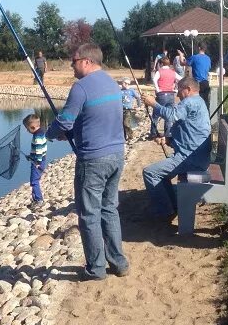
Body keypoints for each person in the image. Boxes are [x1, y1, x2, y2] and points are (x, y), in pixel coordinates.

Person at [46, 43, 130, 280]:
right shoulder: (111, 82)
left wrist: (49, 134)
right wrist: (72, 133)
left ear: (86, 61)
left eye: (73, 61)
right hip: (116, 155)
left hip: (93, 159)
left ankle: (96, 268)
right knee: (109, 209)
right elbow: (97, 118)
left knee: (89, 214)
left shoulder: (80, 88)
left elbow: (64, 121)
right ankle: (119, 262)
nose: (71, 66)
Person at [141, 77, 211, 219]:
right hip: (196, 155)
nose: (177, 95)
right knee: (162, 175)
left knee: (150, 173)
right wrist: (169, 140)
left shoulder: (190, 101)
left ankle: (164, 210)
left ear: (188, 90)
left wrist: (154, 103)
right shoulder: (199, 102)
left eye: (179, 90)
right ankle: (171, 206)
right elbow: (191, 131)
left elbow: (172, 115)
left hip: (190, 158)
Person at [150, 57, 180, 138]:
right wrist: (176, 88)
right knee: (169, 114)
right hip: (171, 95)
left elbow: (154, 79)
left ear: (161, 64)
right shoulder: (173, 72)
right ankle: (167, 133)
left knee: (156, 114)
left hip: (162, 94)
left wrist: (158, 89)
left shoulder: (159, 71)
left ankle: (153, 133)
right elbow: (181, 79)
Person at [23, 113, 48, 205]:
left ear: (33, 127)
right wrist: (30, 156)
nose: (27, 130)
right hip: (40, 159)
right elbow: (39, 149)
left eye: (27, 128)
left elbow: (38, 150)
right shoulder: (41, 132)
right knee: (34, 179)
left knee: (34, 181)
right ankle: (35, 199)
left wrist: (37, 161)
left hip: (38, 162)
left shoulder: (37, 136)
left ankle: (39, 200)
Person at [187, 44, 212, 108]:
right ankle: (207, 116)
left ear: (199, 48)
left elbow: (182, 63)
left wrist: (181, 55)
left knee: (196, 102)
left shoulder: (194, 57)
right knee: (206, 102)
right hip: (206, 82)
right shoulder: (208, 58)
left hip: (197, 83)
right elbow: (208, 68)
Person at [119, 78, 142, 142]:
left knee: (126, 123)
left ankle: (131, 136)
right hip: (120, 109)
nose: (126, 85)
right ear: (122, 83)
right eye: (125, 83)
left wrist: (139, 106)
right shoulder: (119, 91)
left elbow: (138, 97)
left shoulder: (131, 91)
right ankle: (123, 138)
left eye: (128, 84)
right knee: (121, 124)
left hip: (128, 109)